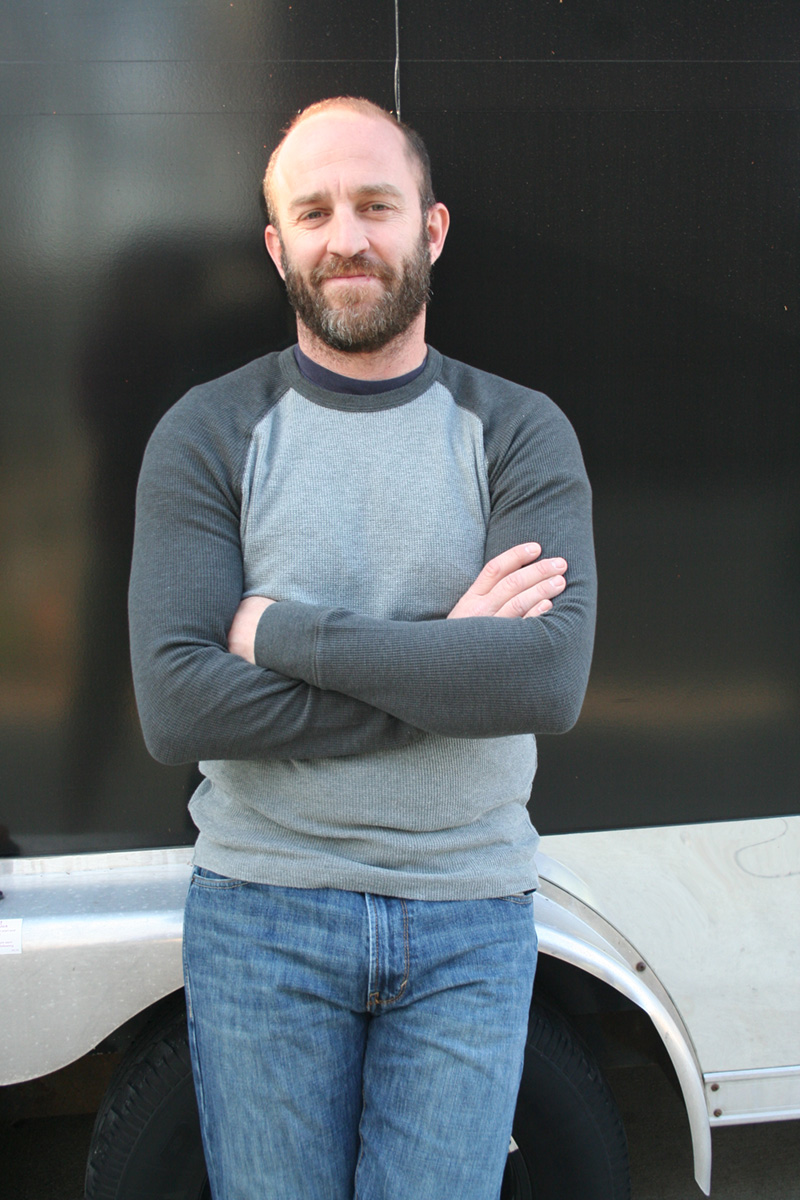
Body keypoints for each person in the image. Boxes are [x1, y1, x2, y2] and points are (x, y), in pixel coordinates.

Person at [129, 96, 596, 1200]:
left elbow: (544, 680)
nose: (346, 237)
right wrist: (450, 667)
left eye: (375, 205)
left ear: (430, 229)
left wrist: (282, 633)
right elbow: (178, 706)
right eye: (315, 211)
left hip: (468, 914)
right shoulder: (209, 431)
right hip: (264, 911)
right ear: (276, 245)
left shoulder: (518, 430)